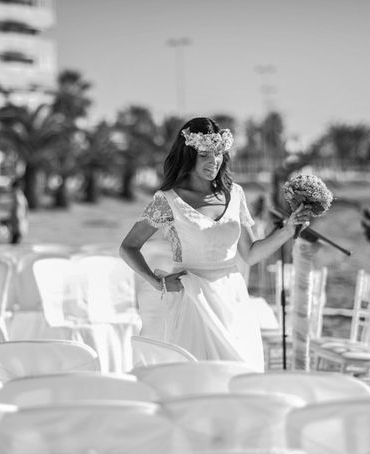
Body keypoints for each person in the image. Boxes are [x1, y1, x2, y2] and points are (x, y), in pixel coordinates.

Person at [119, 117, 311, 371]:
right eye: (205, 155)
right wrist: (159, 282)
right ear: (189, 156)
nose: (214, 161)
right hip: (191, 300)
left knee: (238, 372)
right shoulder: (168, 200)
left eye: (219, 153)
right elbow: (129, 247)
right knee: (196, 375)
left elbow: (251, 254)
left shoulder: (235, 195)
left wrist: (288, 230)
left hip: (232, 297)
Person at [0, 178, 29, 244]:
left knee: (14, 247)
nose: (11, 190)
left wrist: (8, 220)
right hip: (19, 227)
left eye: (12, 188)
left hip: (17, 228)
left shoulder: (18, 197)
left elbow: (18, 214)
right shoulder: (21, 197)